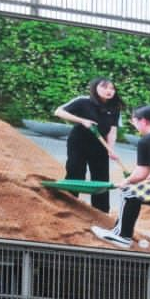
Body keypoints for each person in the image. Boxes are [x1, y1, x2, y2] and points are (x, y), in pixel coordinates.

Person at [91, 105, 150, 249]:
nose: (134, 125)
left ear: (144, 121)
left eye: (134, 121)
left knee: (128, 192)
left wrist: (126, 181)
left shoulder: (147, 141)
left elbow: (141, 174)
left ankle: (121, 236)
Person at [53, 78, 123, 214]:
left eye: (112, 88)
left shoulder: (114, 108)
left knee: (101, 179)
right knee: (76, 172)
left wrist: (110, 149)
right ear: (95, 88)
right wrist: (82, 121)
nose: (109, 91)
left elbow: (112, 130)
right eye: (105, 87)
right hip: (79, 142)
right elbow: (59, 112)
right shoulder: (83, 101)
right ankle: (69, 205)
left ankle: (101, 212)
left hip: (100, 146)